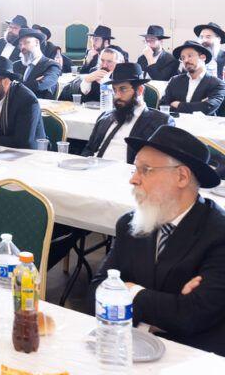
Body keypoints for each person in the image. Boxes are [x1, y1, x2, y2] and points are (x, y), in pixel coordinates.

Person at [90, 125, 225, 355]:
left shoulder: (218, 234)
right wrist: (170, 307)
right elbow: (96, 291)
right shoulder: (130, 224)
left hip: (191, 359)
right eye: (135, 169)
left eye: (145, 170)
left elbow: (191, 317)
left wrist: (130, 291)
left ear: (181, 176)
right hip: (127, 347)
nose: (133, 180)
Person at [82, 63, 174, 163]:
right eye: (114, 90)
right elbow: (88, 150)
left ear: (139, 90)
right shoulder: (105, 117)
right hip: (93, 168)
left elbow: (159, 164)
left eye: (123, 89)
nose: (117, 96)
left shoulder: (160, 122)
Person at [159, 40, 225, 115]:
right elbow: (162, 106)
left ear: (203, 57)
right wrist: (198, 105)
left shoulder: (217, 84)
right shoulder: (175, 80)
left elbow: (207, 108)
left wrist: (179, 105)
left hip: (202, 122)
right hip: (176, 122)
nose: (186, 60)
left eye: (190, 56)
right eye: (183, 58)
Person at [12, 28, 61, 100]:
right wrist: (34, 82)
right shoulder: (16, 65)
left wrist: (16, 87)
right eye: (20, 44)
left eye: (26, 42)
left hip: (40, 104)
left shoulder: (51, 65)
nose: (22, 47)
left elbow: (42, 85)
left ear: (37, 43)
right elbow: (7, 87)